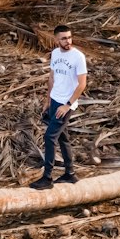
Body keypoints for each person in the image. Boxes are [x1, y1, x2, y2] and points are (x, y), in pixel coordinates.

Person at [30, 24, 87, 190]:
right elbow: (52, 78)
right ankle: (70, 174)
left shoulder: (78, 57)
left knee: (49, 137)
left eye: (69, 37)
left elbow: (82, 85)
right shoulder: (55, 54)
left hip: (66, 104)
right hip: (54, 100)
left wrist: (68, 105)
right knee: (63, 138)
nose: (68, 41)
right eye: (63, 38)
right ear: (56, 40)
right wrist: (47, 100)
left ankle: (47, 178)